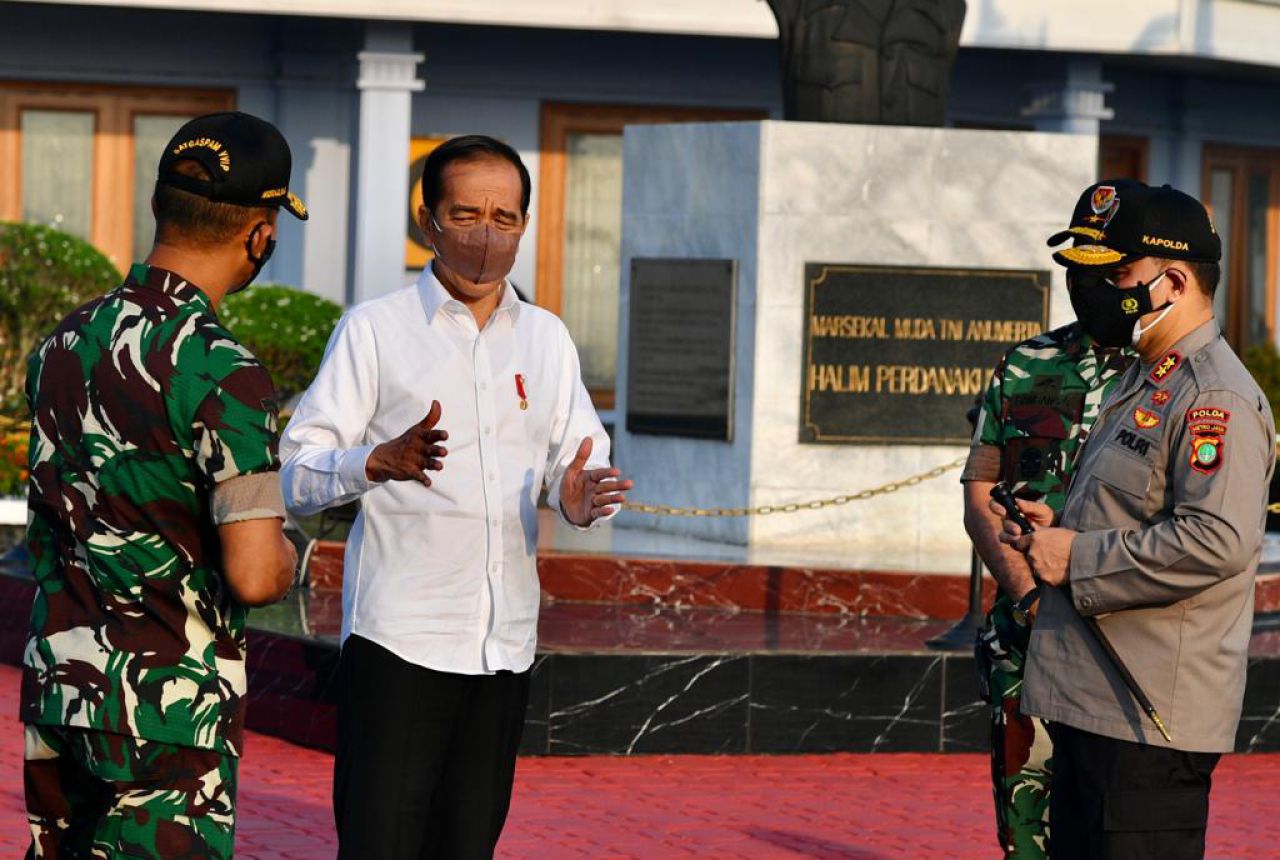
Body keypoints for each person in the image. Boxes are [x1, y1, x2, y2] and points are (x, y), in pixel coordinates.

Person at [280, 134, 633, 860]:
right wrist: (373, 461)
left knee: (468, 845)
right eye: (466, 215)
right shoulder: (374, 330)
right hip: (400, 641)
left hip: (504, 644)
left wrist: (576, 497)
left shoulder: (547, 338)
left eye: (505, 218)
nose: (486, 236)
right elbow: (296, 471)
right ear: (427, 222)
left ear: (525, 225)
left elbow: (577, 466)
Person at [22, 111, 305, 858]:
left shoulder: (62, 345)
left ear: (157, 205)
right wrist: (290, 552)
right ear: (261, 236)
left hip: (61, 690)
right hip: (168, 712)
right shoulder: (224, 370)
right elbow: (255, 573)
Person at [996, 183, 1273, 859]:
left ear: (1174, 281)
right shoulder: (1148, 377)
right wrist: (1054, 528)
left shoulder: (1213, 396)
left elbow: (1217, 541)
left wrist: (1076, 557)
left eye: (1116, 274)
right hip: (1096, 703)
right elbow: (1138, 509)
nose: (1094, 290)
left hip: (1148, 722)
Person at [962, 180, 1141, 858]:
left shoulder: (1173, 377)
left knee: (1117, 831)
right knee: (1028, 835)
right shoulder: (1024, 365)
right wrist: (1028, 596)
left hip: (1123, 650)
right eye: (1075, 271)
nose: (1085, 287)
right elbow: (981, 493)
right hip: (1026, 646)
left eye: (1103, 273)